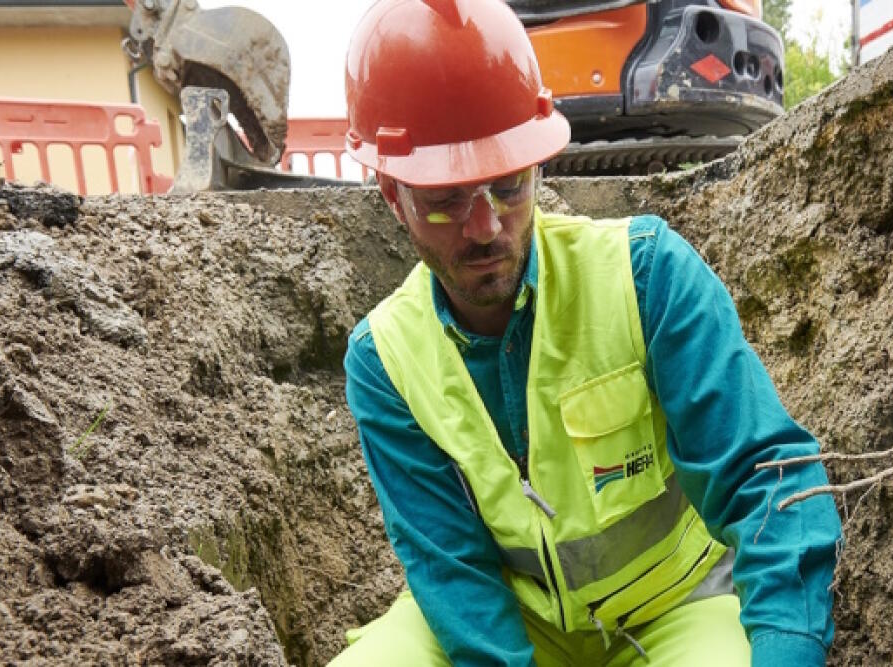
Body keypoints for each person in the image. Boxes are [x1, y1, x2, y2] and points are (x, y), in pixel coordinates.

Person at [331, 0, 843, 664]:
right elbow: (452, 568)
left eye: (509, 185)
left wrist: (787, 650)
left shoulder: (645, 276)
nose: (486, 226)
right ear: (391, 194)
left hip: (674, 607)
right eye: (447, 199)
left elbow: (768, 479)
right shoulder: (386, 360)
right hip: (515, 624)